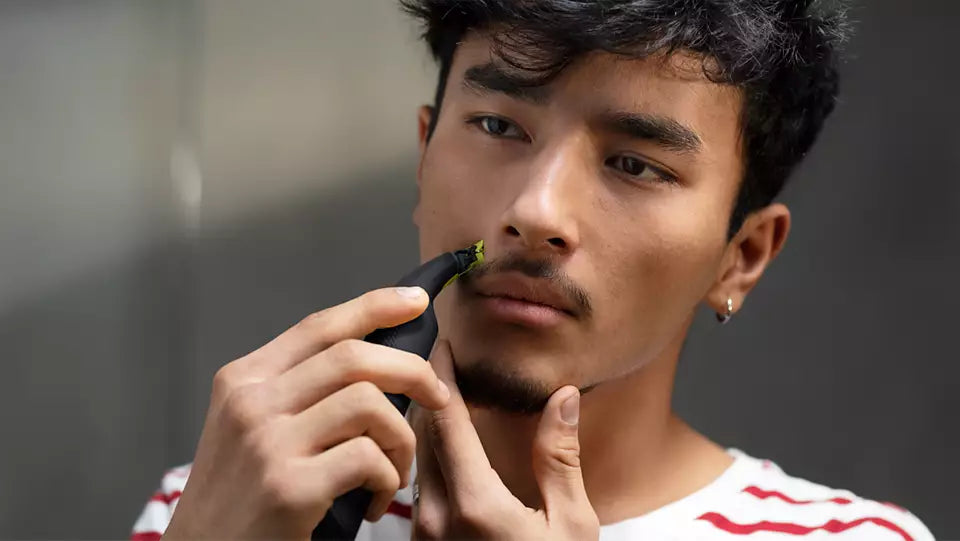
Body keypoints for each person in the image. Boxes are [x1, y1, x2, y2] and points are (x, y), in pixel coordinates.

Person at [132, 1, 935, 539]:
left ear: (743, 255)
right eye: (495, 125)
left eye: (635, 163)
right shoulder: (237, 502)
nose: (537, 210)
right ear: (423, 156)